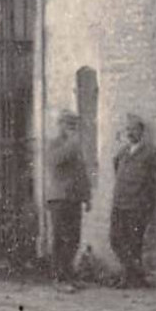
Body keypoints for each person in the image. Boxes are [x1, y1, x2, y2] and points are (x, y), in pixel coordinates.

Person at [110, 114, 156, 287]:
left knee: (134, 242)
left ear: (142, 131)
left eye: (134, 129)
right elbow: (116, 164)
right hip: (120, 202)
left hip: (138, 205)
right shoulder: (123, 151)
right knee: (116, 239)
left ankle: (130, 278)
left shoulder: (150, 152)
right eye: (128, 129)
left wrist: (149, 183)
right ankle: (135, 275)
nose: (130, 133)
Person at [45, 110, 92, 291]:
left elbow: (82, 173)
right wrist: (72, 144)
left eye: (74, 125)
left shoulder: (75, 146)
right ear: (60, 125)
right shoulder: (54, 143)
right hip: (58, 198)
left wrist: (87, 197)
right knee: (60, 238)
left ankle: (68, 275)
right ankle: (59, 278)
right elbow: (54, 161)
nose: (72, 129)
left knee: (74, 238)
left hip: (74, 198)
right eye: (68, 125)